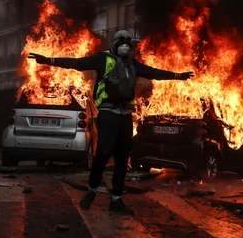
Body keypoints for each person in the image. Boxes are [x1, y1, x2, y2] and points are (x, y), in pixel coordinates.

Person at [29, 30, 194, 215]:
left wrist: (178, 76)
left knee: (123, 156)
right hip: (107, 113)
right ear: (115, 44)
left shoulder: (132, 64)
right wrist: (48, 60)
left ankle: (116, 199)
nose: (125, 46)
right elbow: (77, 64)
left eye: (128, 44)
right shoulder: (102, 59)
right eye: (122, 42)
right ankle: (91, 190)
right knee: (104, 151)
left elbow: (154, 72)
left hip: (125, 115)